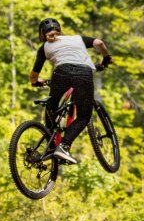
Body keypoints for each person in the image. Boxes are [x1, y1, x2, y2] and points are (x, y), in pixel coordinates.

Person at [29, 17, 112, 164]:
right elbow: (99, 43)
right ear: (60, 29)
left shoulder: (44, 47)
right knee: (84, 116)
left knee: (51, 108)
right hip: (83, 75)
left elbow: (34, 76)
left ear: (42, 34)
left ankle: (50, 147)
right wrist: (106, 59)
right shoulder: (77, 39)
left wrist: (37, 82)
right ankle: (64, 146)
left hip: (60, 74)